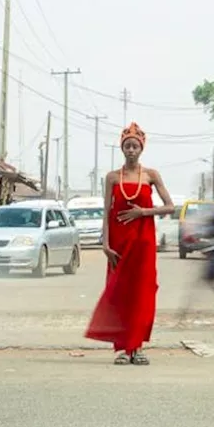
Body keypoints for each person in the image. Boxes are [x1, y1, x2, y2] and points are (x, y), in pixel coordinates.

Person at [85, 123, 176, 365]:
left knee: (142, 293)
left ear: (141, 149)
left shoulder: (151, 175)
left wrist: (143, 212)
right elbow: (106, 212)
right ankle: (123, 348)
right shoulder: (113, 177)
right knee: (120, 293)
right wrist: (105, 243)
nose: (131, 150)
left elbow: (170, 206)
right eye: (127, 146)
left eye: (135, 146)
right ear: (122, 149)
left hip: (143, 243)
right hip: (118, 243)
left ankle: (137, 346)